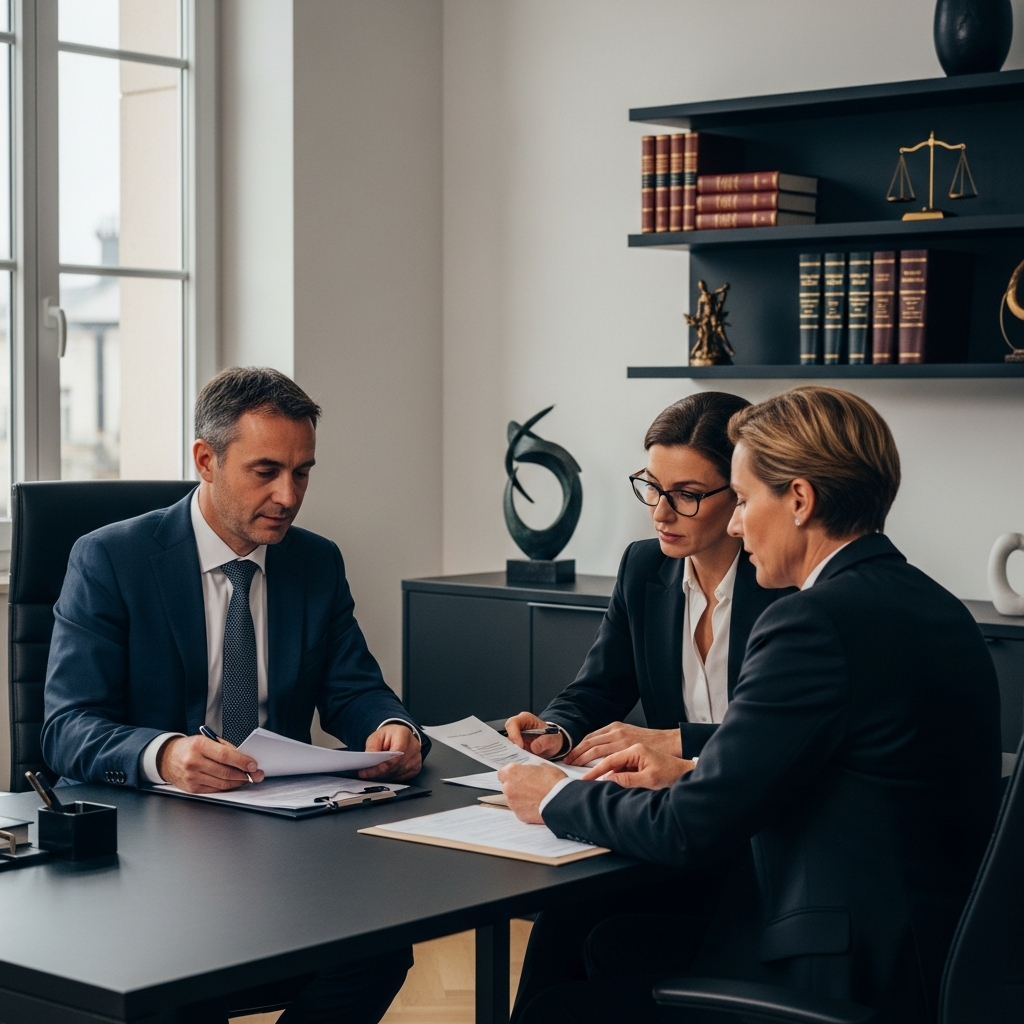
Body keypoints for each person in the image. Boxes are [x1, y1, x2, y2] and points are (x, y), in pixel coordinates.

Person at [500, 385, 1002, 1024]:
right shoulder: (937, 607)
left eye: (740, 500)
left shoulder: (812, 623)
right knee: (595, 936)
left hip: (830, 971)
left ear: (798, 499)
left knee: (560, 1010)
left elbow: (688, 827)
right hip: (929, 959)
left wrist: (552, 797)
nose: (736, 523)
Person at [42, 366, 428, 1024]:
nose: (288, 494)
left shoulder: (314, 562)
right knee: (179, 983)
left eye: (303, 472)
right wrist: (165, 754)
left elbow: (353, 687)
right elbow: (67, 726)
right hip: (152, 851)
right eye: (266, 470)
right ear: (206, 460)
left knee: (378, 949)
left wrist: (391, 725)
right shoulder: (111, 559)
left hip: (284, 840)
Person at [503, 392, 790, 1020]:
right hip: (663, 823)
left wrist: (675, 739)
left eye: (686, 493)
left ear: (739, 493)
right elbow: (600, 684)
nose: (661, 512)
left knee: (601, 932)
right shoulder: (644, 568)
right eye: (651, 487)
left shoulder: (787, 582)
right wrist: (556, 729)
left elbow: (772, 740)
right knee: (566, 913)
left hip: (746, 839)